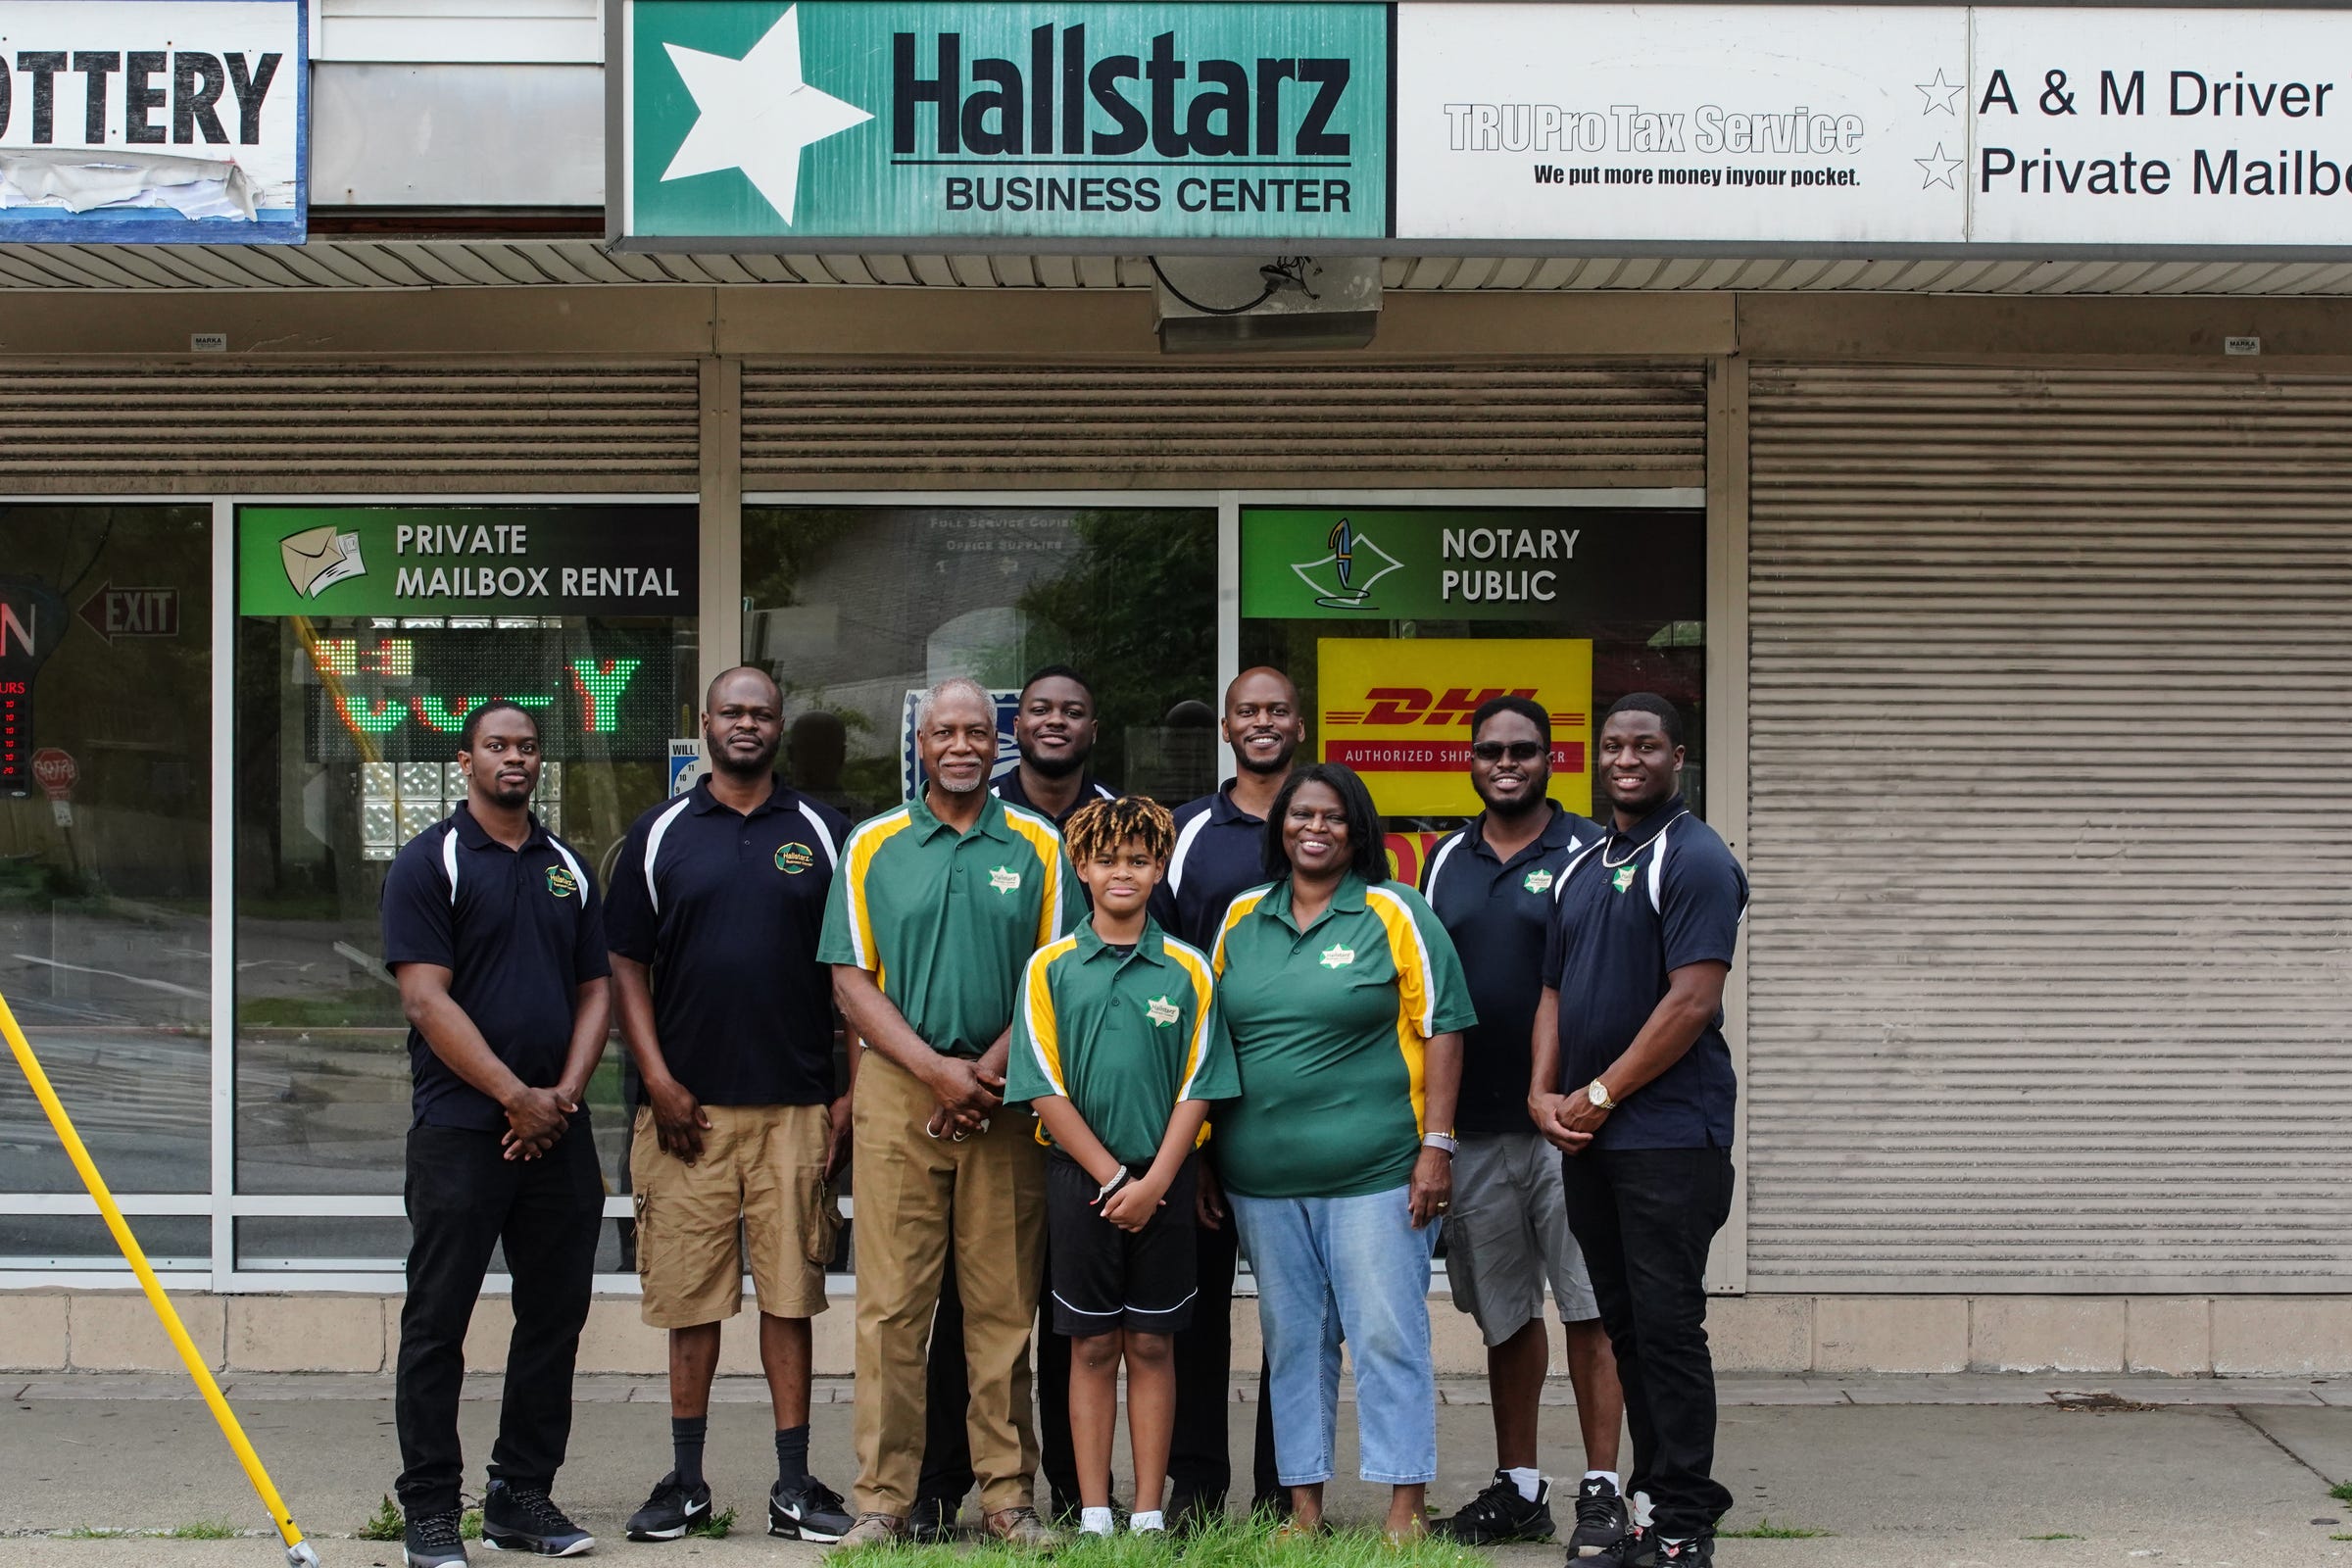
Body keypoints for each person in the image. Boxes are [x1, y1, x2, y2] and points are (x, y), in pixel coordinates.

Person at [819, 676, 1079, 1549]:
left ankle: (1008, 1497)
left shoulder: (1041, 844)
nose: (962, 745)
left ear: (995, 742)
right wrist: (935, 1071)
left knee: (1004, 1307)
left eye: (977, 731)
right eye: (944, 733)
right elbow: (849, 979)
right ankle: (882, 1501)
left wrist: (984, 1074)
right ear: (920, 745)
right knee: (891, 1309)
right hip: (900, 1092)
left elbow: (1059, 976)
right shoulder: (873, 845)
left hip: (1007, 1093)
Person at [602, 666, 857, 1544]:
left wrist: (849, 1095)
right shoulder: (659, 832)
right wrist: (659, 1079)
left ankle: (793, 1486)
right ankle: (685, 1482)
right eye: (732, 712)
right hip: (685, 1114)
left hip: (795, 1108)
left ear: (780, 727)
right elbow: (624, 964)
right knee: (691, 1303)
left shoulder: (823, 832)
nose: (746, 725)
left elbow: (852, 974)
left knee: (792, 1299)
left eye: (762, 713)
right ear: (704, 720)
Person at [1212, 762, 1473, 1543]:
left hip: (1377, 1174)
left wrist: (1436, 1147)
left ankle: (1405, 1510)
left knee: (1389, 1336)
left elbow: (1446, 1028)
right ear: (1279, 828)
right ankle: (1303, 1513)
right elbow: (1210, 1044)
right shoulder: (1239, 919)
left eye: (1330, 817)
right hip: (1261, 1180)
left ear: (1357, 831)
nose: (1313, 829)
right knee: (1294, 1345)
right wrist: (1201, 1159)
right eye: (1299, 817)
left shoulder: (1395, 911)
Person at [379, 701, 608, 1568]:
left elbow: (597, 991)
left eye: (526, 747)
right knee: (439, 1320)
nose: (515, 758)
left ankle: (521, 1496)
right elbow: (425, 998)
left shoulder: (567, 868)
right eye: (497, 746)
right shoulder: (428, 862)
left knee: (555, 1316)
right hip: (462, 1132)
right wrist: (514, 1096)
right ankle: (432, 1508)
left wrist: (559, 1096)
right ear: (466, 759)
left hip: (558, 1130)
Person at [1532, 694, 1749, 1568]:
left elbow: (1693, 999)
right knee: (1624, 1324)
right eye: (1615, 744)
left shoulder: (1695, 858)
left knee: (1667, 1325)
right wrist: (1542, 1096)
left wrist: (1601, 1093)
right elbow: (1553, 989)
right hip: (1590, 1136)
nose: (1628, 758)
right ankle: (1654, 1501)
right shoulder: (1588, 861)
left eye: (1647, 745)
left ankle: (1686, 1523)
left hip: (1666, 1135)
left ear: (1678, 756)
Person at [1421, 696, 1629, 1552]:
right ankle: (1519, 1486)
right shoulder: (1442, 861)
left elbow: (1618, 979)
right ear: (1470, 761)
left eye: (1524, 750)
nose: (1506, 762)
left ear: (1552, 759)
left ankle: (1605, 1489)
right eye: (1490, 751)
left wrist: (1594, 1097)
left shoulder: (1588, 851)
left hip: (1570, 1127)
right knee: (1504, 1316)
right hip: (1473, 1129)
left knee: (1589, 1308)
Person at [912, 664, 1116, 1537]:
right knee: (964, 1307)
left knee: (1060, 1303)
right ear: (1013, 727)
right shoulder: (972, 814)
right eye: (1038, 710)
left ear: (1092, 726)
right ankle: (937, 1483)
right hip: (973, 1097)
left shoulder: (1118, 823)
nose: (1054, 723)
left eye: (1073, 709)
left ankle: (1075, 1490)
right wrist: (959, 1079)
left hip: (1083, 1108)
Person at [1004, 796, 1240, 1540]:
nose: (1122, 873)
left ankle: (1146, 1512)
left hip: (1161, 1183)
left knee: (1152, 1343)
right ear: (1080, 867)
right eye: (1107, 860)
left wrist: (1158, 1183)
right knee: (1093, 1342)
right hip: (1085, 1185)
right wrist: (1113, 1181)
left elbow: (1200, 1085)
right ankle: (1095, 1510)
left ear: (1160, 867)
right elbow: (1042, 1086)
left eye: (1139, 860)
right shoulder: (1050, 968)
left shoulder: (1188, 970)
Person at [1147, 665, 1305, 1526]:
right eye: (1248, 711)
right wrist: (1192, 1133)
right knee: (1195, 1316)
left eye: (1278, 709)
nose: (1263, 722)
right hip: (1202, 1108)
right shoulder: (1186, 832)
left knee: (1294, 1313)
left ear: (1300, 725)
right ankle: (1198, 1488)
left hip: (1296, 1115)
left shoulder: (1324, 823)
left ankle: (1291, 1492)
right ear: (1227, 729)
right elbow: (1160, 979)